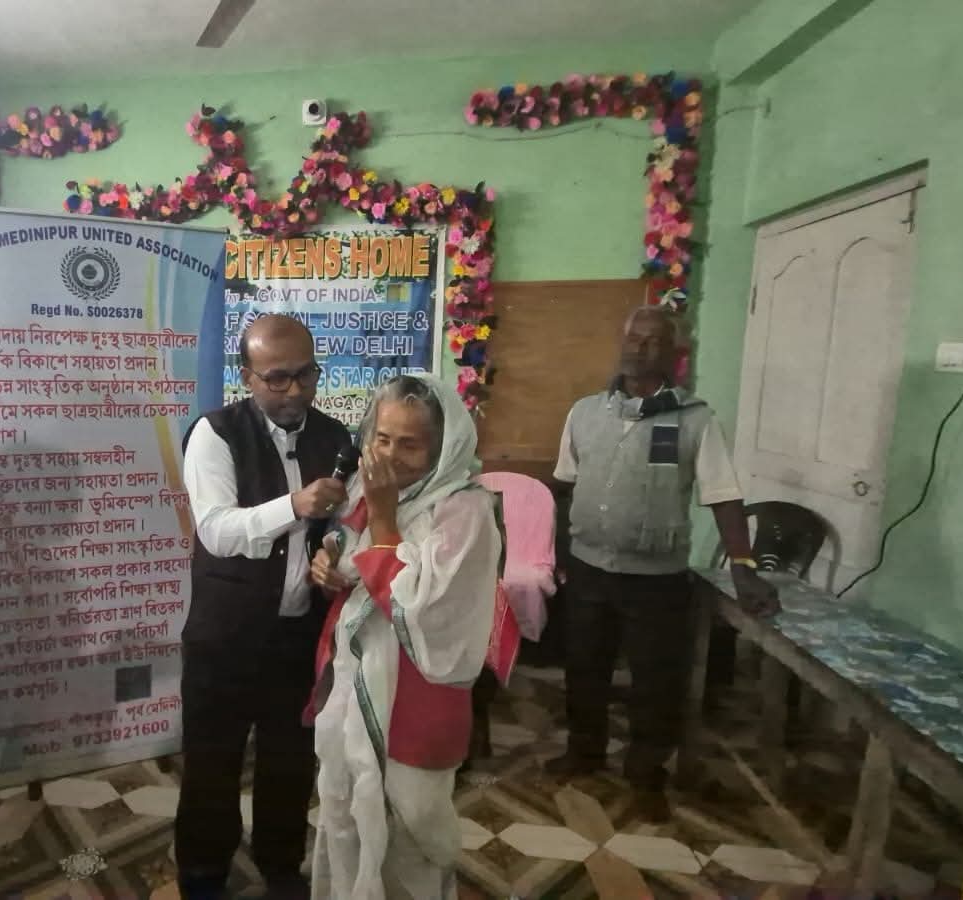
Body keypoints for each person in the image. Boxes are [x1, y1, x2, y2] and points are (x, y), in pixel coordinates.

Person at [548, 305, 778, 821]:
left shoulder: (695, 420)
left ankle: (646, 775)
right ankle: (584, 752)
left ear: (675, 353)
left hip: (655, 580)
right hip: (588, 569)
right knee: (584, 668)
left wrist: (743, 565)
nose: (640, 349)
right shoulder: (584, 413)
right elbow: (563, 485)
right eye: (634, 338)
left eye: (654, 341)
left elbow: (723, 496)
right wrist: (550, 550)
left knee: (655, 682)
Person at [305, 374, 502, 899]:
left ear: (442, 447)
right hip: (355, 683)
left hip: (419, 695)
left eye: (410, 444)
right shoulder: (364, 489)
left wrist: (385, 516)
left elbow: (421, 606)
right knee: (345, 812)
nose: (390, 456)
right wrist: (327, 564)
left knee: (414, 828)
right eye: (382, 438)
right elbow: (347, 552)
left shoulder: (466, 511)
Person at [175, 314, 351, 900]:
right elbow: (217, 530)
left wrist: (331, 552)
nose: (294, 390)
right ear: (247, 377)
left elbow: (341, 525)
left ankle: (280, 864)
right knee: (212, 760)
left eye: (306, 375)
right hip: (226, 635)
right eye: (277, 378)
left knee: (290, 759)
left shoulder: (335, 436)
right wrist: (293, 506)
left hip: (298, 633)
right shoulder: (215, 433)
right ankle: (203, 872)